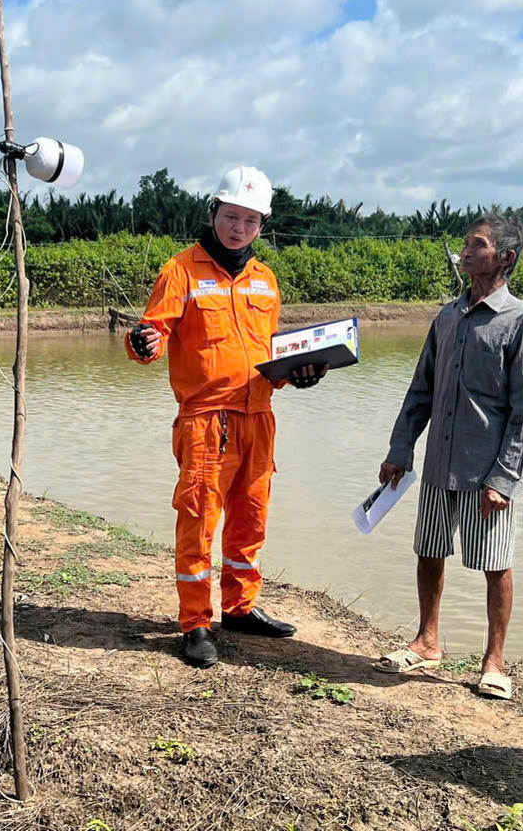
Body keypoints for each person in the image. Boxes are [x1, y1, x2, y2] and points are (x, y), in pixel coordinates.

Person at [126, 165, 326, 669]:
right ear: (213, 212)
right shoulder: (181, 271)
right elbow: (153, 335)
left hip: (259, 415)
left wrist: (296, 374)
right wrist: (141, 342)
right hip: (206, 421)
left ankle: (239, 607)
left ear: (262, 226)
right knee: (199, 520)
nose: (239, 227)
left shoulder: (265, 281)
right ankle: (195, 621)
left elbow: (269, 354)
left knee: (250, 517)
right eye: (231, 215)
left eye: (251, 220)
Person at [376, 212, 523, 699]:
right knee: (428, 550)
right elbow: (420, 391)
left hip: (487, 471)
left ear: (505, 258)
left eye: (478, 244)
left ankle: (495, 661)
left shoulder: (520, 322)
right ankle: (427, 642)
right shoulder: (447, 317)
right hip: (438, 464)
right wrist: (400, 449)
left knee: (497, 563)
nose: (465, 251)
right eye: (466, 244)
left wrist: (505, 478)